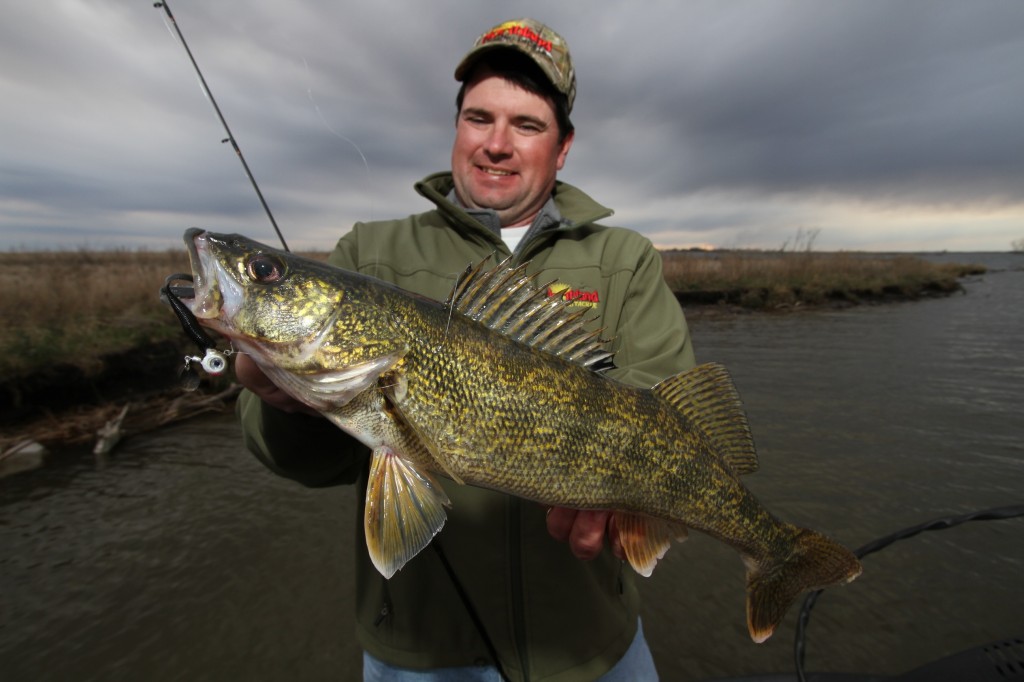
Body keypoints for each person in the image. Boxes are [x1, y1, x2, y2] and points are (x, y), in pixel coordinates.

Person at [235, 18, 695, 682]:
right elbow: (307, 463)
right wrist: (283, 402)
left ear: (563, 147)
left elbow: (666, 404)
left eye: (528, 125)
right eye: (479, 118)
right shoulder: (371, 253)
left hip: (589, 644)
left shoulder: (623, 260)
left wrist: (621, 484)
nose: (497, 145)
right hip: (420, 649)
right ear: (456, 129)